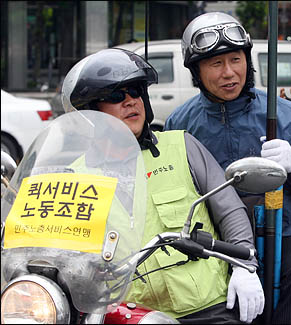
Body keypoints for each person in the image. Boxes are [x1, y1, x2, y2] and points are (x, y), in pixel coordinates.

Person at [60, 48, 264, 324]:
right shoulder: (74, 177)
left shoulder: (181, 145)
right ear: (90, 113)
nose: (131, 102)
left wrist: (245, 267)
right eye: (116, 96)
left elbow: (230, 211)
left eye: (135, 92)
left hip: (207, 308)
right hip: (128, 314)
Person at [164, 12, 291, 324]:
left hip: (281, 233)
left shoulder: (288, 115)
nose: (229, 72)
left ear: (248, 61)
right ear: (196, 72)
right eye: (216, 64)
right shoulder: (180, 124)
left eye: (235, 59)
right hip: (212, 241)